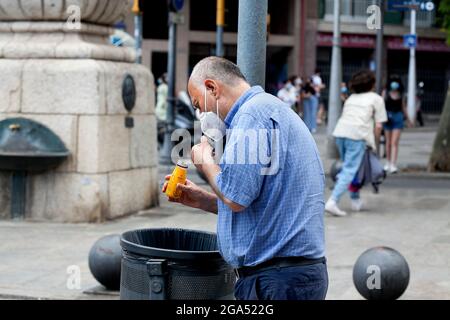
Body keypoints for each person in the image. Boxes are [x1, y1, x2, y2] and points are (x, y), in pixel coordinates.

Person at [163, 57, 328, 300]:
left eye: (198, 104)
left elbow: (236, 197)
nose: (200, 114)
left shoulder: (251, 116)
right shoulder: (266, 109)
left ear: (212, 88)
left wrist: (205, 160)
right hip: (286, 276)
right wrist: (203, 201)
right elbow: (259, 201)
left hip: (277, 280)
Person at [325, 70, 387, 217]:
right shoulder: (376, 99)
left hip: (341, 133)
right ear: (372, 84)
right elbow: (378, 126)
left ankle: (355, 200)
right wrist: (375, 144)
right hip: (357, 136)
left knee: (351, 168)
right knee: (350, 169)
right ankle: (332, 201)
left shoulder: (351, 98)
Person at [383, 76, 411, 174]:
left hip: (398, 118)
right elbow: (381, 105)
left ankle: (393, 164)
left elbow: (403, 107)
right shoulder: (385, 93)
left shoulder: (401, 95)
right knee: (388, 142)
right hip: (387, 118)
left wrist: (408, 119)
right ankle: (387, 162)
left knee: (394, 142)